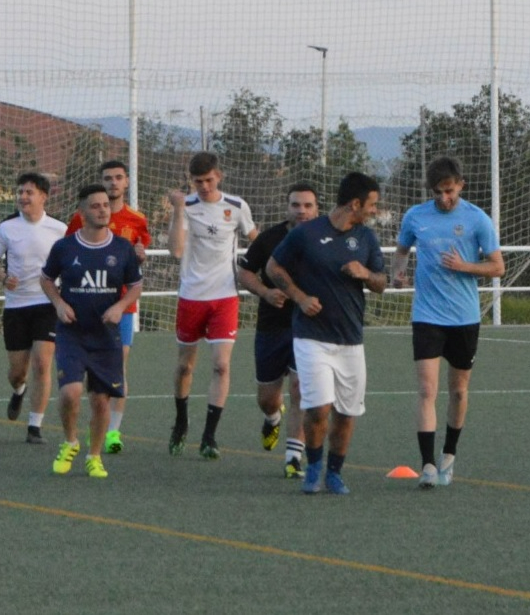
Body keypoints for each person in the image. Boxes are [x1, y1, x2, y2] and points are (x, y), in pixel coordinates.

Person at [266, 172, 387, 495]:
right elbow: (273, 268)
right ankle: (314, 467)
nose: (374, 211)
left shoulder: (366, 238)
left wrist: (366, 274)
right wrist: (299, 297)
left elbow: (382, 283)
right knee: (318, 408)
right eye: (372, 205)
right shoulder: (307, 233)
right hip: (311, 337)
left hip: (350, 340)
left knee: (347, 414)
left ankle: (335, 472)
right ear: (355, 203)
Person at [390, 157, 504, 489]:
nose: (444, 199)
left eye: (450, 191)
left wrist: (464, 266)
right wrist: (398, 271)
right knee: (427, 390)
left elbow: (498, 267)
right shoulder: (416, 216)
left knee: (458, 391)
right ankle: (426, 465)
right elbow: (401, 250)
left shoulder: (477, 219)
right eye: (439, 192)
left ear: (461, 185)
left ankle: (448, 456)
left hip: (464, 318)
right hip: (426, 316)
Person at [41, 185, 143, 479]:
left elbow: (136, 286)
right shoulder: (65, 247)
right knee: (71, 393)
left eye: (105, 205)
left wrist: (121, 306)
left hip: (106, 336)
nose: (102, 209)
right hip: (72, 333)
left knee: (100, 401)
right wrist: (58, 303)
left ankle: (94, 456)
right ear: (82, 212)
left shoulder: (122, 248)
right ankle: (70, 441)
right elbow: (46, 279)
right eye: (95, 205)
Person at [165, 151, 257, 459]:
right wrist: (179, 210)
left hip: (225, 296)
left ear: (219, 176)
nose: (204, 186)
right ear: (190, 181)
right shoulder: (186, 207)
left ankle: (209, 435)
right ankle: (180, 421)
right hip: (191, 296)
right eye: (197, 181)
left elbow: (255, 239)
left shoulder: (236, 206)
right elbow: (177, 251)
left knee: (221, 365)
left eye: (208, 180)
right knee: (184, 365)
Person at [63, 160, 151, 454]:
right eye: (107, 178)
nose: (113, 183)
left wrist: (140, 255)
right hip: (85, 309)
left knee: (119, 366)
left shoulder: (137, 219)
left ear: (126, 182)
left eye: (118, 178)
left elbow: (139, 255)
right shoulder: (82, 219)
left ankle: (112, 431)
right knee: (83, 375)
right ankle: (87, 429)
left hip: (121, 307)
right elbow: (69, 253)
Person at [238, 183, 320, 477]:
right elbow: (245, 271)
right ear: (287, 208)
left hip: (309, 328)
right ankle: (273, 418)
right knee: (268, 398)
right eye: (296, 205)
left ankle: (293, 458)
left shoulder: (324, 237)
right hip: (272, 328)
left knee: (300, 391)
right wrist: (264, 292)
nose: (302, 211)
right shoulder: (269, 239)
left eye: (308, 205)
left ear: (317, 208)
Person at [0, 172, 68, 444]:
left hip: (46, 303)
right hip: (16, 306)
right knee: (17, 372)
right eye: (20, 191)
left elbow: (70, 264)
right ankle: (19, 390)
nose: (23, 196)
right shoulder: (7, 228)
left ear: (43, 196)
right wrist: (3, 277)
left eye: (29, 192)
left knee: (43, 364)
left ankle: (35, 426)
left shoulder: (60, 229)